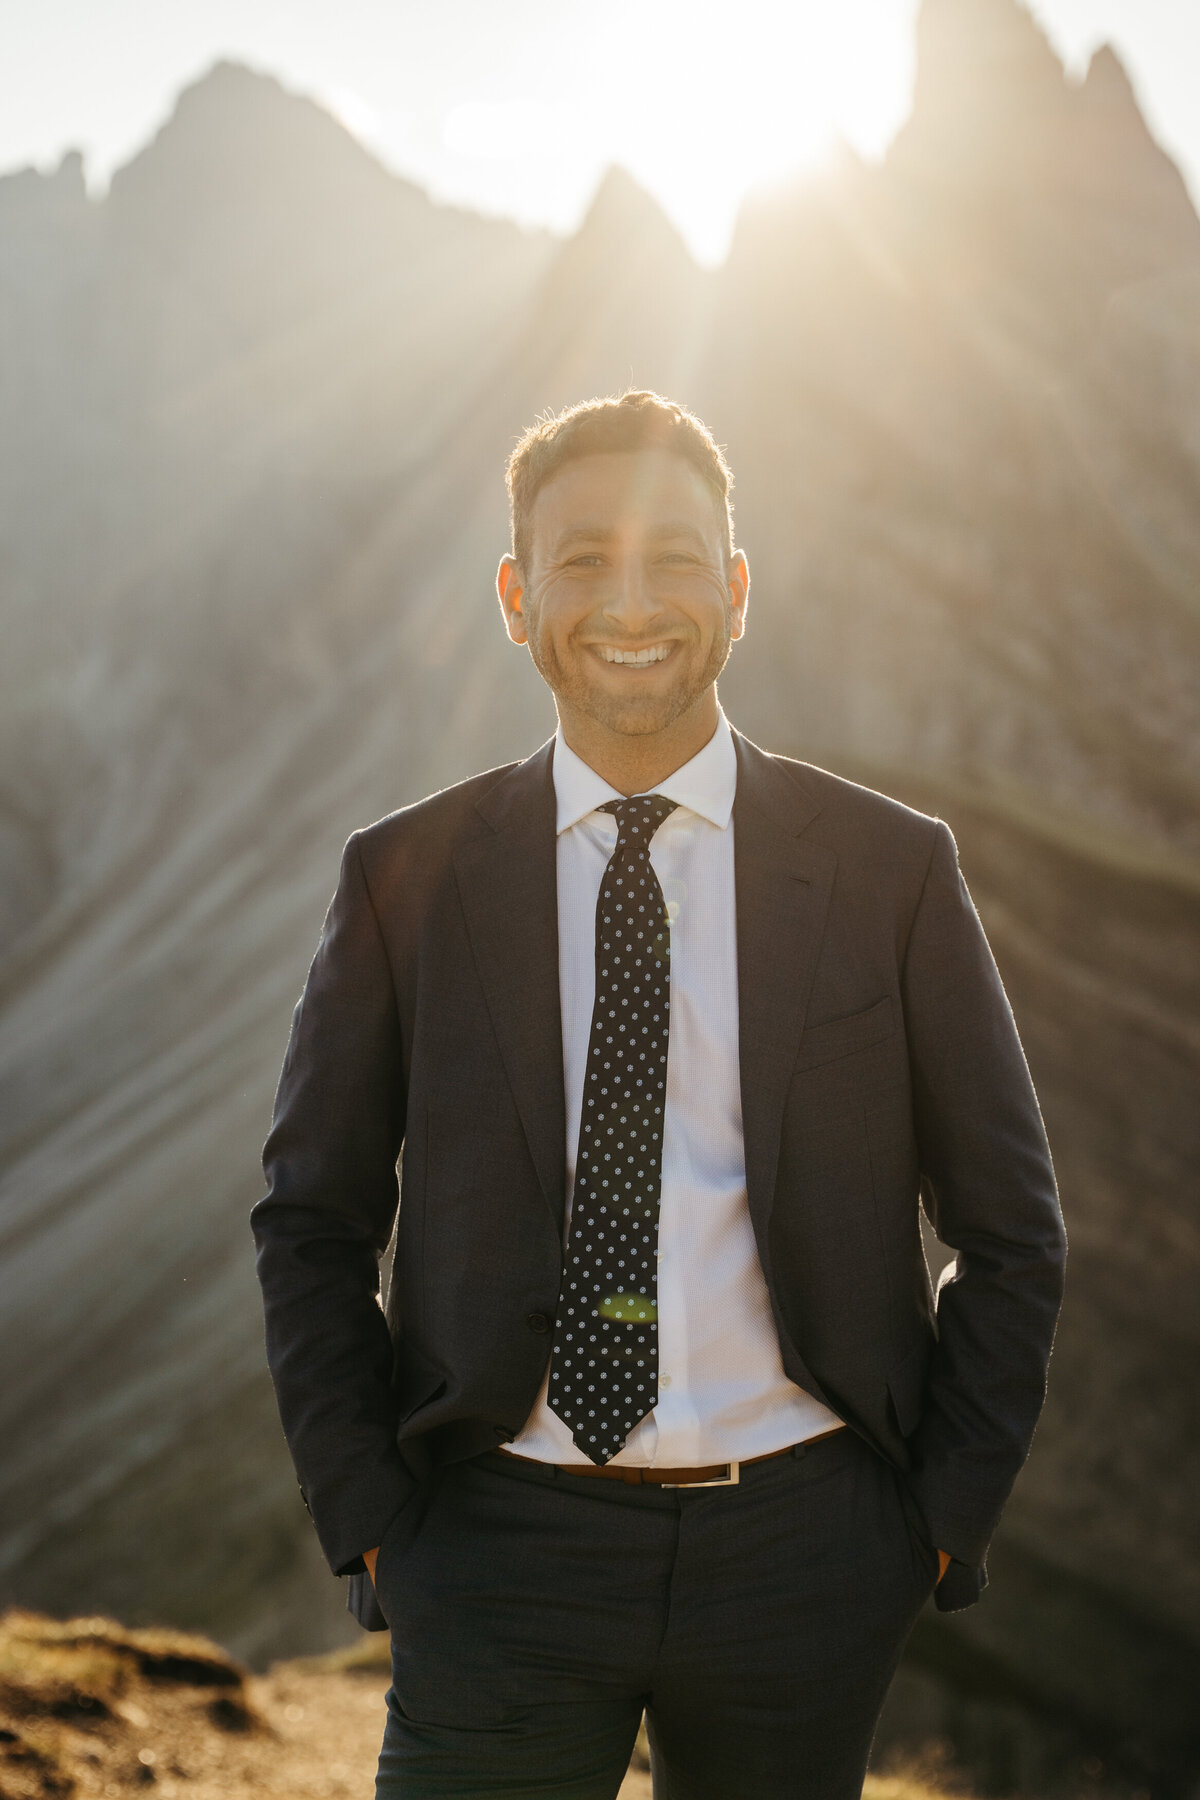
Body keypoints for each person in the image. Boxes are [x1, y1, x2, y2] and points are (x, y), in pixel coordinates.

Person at [252, 390, 1066, 1799]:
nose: (631, 603)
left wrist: (936, 1516)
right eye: (583, 560)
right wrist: (374, 1513)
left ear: (736, 591)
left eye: (675, 559)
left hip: (809, 1554)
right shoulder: (403, 879)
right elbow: (311, 1219)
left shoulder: (891, 871)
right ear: (517, 598)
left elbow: (1011, 1226)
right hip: (497, 1548)